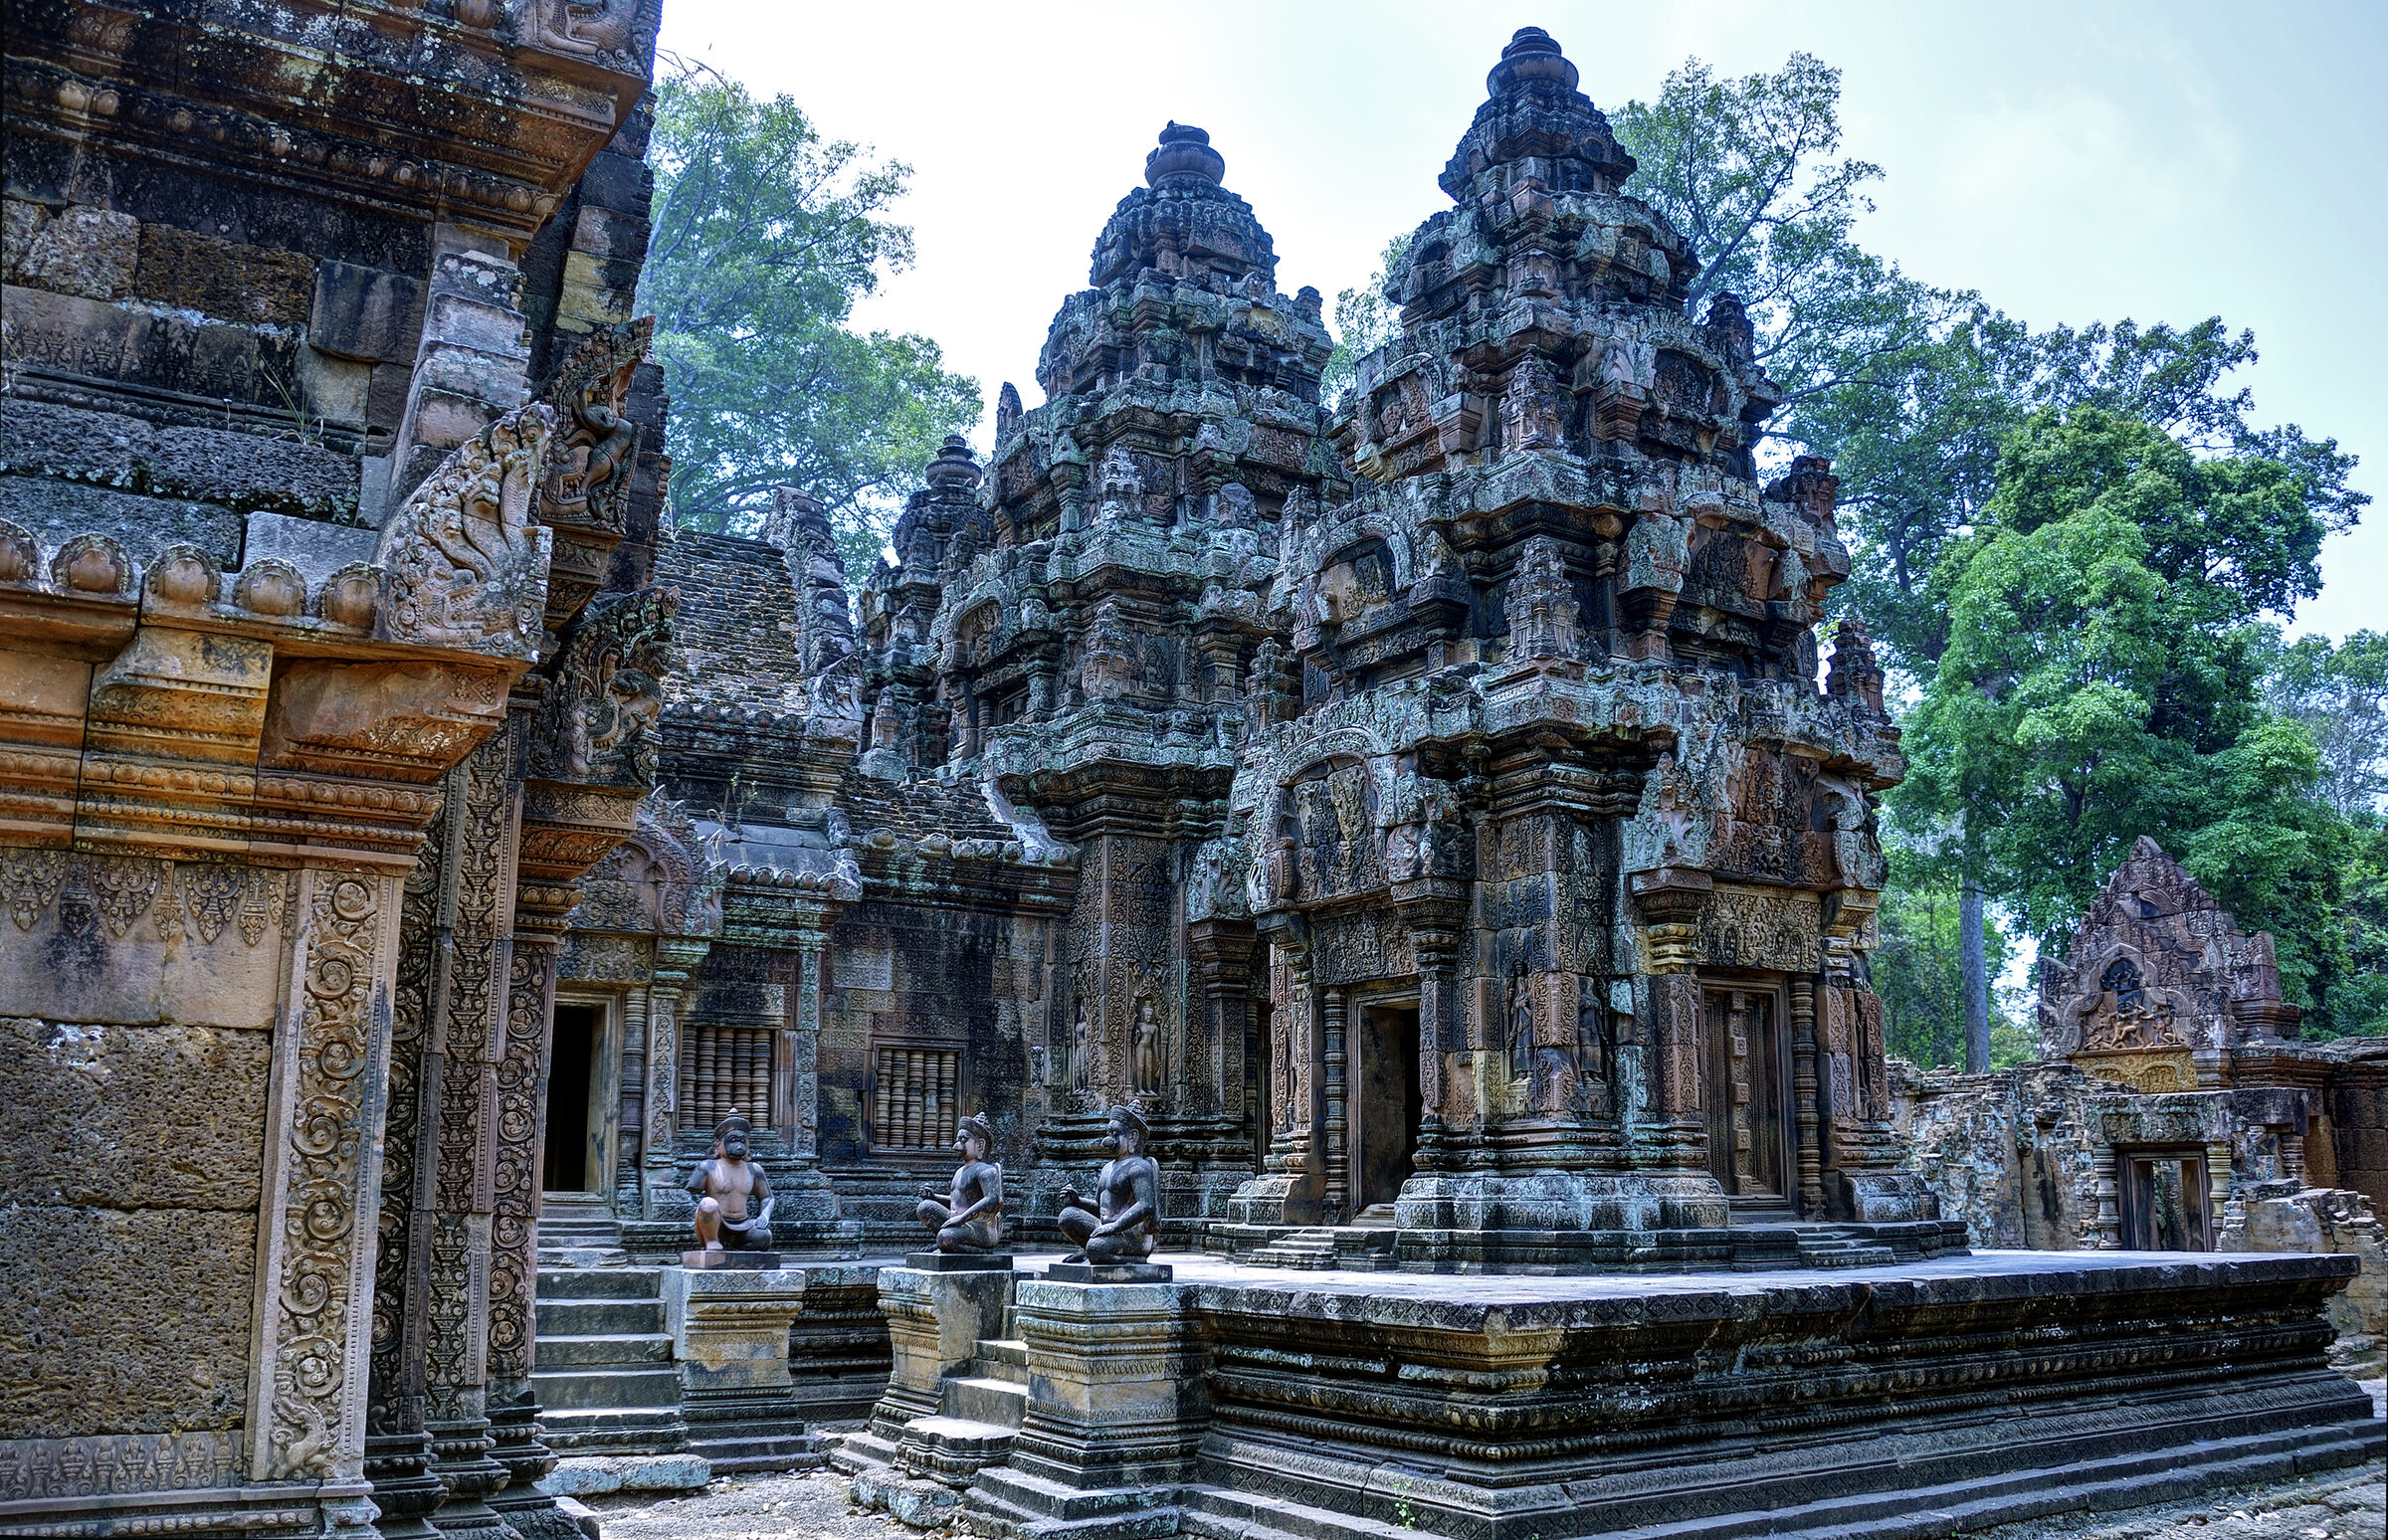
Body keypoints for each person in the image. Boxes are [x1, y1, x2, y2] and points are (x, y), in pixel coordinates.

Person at [1056, 1105, 1159, 1264]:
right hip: (1108, 1229)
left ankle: (1133, 1259)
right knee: (1066, 1216)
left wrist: (1114, 1227)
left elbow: (1146, 1206)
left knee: (1096, 1247)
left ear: (1132, 1137)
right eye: (1108, 1133)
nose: (1108, 1139)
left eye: (1115, 1134)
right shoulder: (1107, 1168)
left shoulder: (1139, 1167)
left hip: (1132, 1235)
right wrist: (1078, 1201)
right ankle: (1089, 1252)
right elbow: (1100, 1207)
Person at [687, 1112, 775, 1252]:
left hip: (743, 1224)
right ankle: (712, 1241)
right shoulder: (707, 1166)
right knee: (708, 1204)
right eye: (733, 1140)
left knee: (764, 1236)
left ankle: (738, 1250)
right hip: (716, 1224)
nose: (739, 1145)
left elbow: (767, 1197)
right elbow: (691, 1192)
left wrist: (764, 1215)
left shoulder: (754, 1169)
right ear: (718, 1145)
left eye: (742, 1141)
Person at [915, 1113, 1005, 1252]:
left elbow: (992, 1200)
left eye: (964, 1140)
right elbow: (959, 1201)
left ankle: (978, 1251)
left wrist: (962, 1219)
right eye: (958, 1139)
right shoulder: (960, 1171)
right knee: (925, 1207)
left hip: (980, 1228)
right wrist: (934, 1197)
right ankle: (946, 1244)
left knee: (945, 1236)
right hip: (960, 1224)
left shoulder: (987, 1171)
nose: (958, 1145)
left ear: (980, 1145)